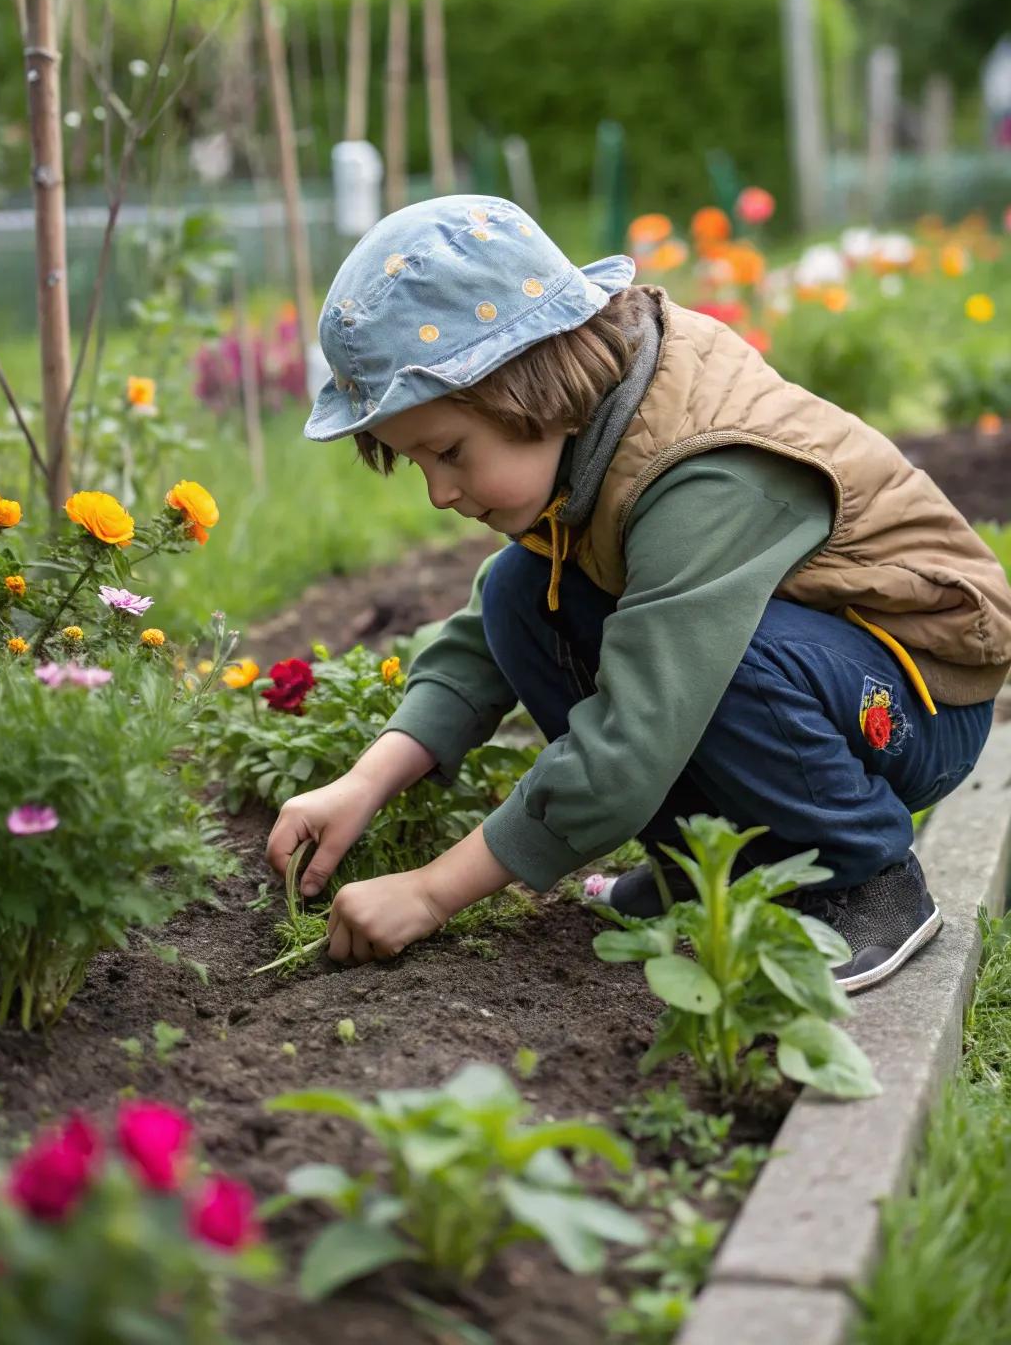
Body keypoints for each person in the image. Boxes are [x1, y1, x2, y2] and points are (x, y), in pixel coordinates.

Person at [266, 194, 1011, 992]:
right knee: (523, 592)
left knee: (715, 666)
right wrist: (366, 780)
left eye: (448, 451)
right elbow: (486, 637)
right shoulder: (591, 431)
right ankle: (706, 864)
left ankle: (864, 876)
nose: (439, 493)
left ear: (526, 384)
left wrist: (430, 891)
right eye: (417, 464)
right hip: (804, 656)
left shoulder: (705, 470)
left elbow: (633, 737)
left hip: (918, 693)